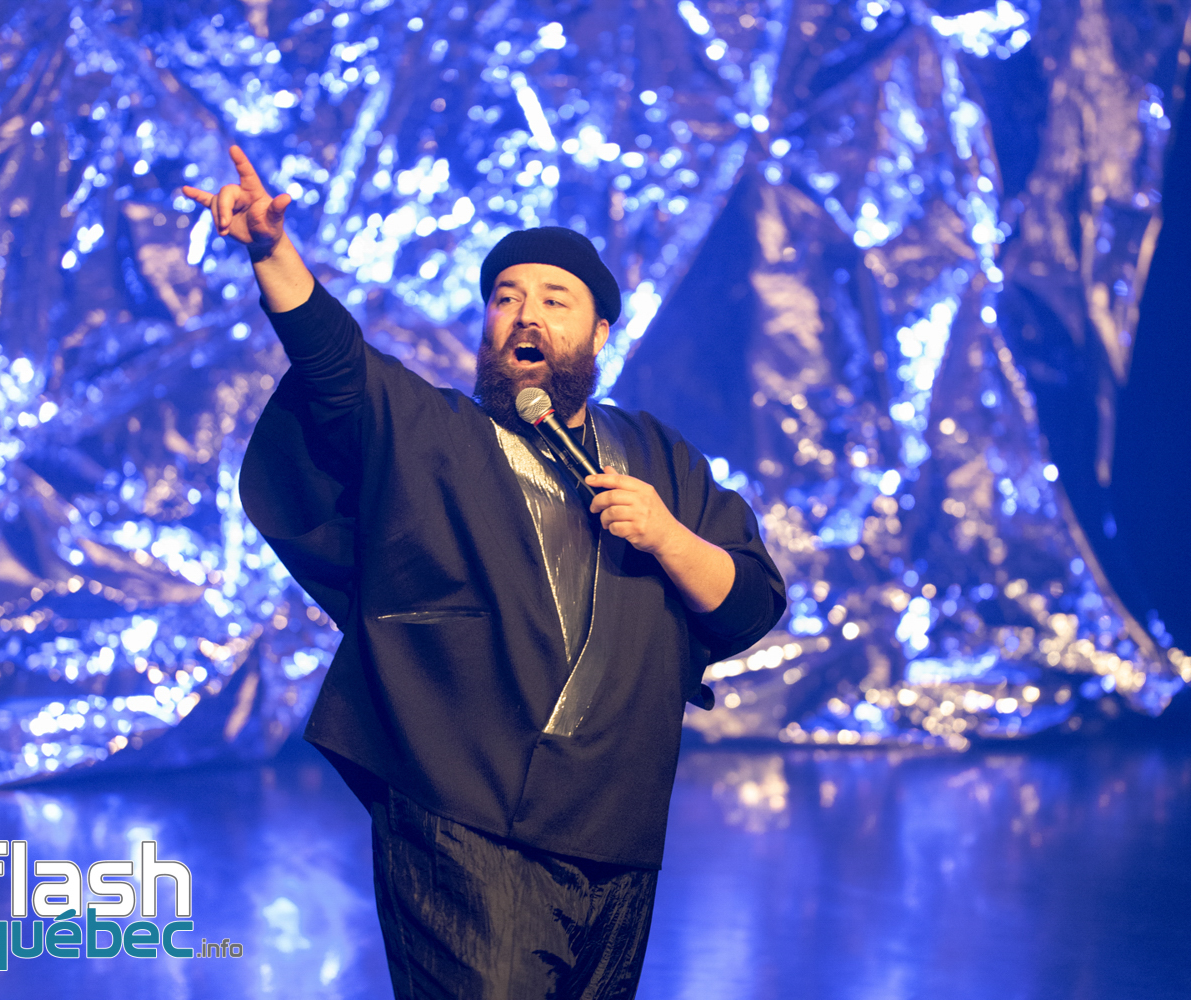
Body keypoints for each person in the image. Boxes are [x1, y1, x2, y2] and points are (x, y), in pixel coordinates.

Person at [182, 146, 785, 999]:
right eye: (506, 299)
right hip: (464, 814)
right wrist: (273, 252)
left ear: (599, 333)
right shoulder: (437, 435)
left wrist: (666, 536)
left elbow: (750, 601)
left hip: (617, 829)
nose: (525, 315)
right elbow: (337, 364)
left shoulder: (657, 458)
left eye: (554, 300)